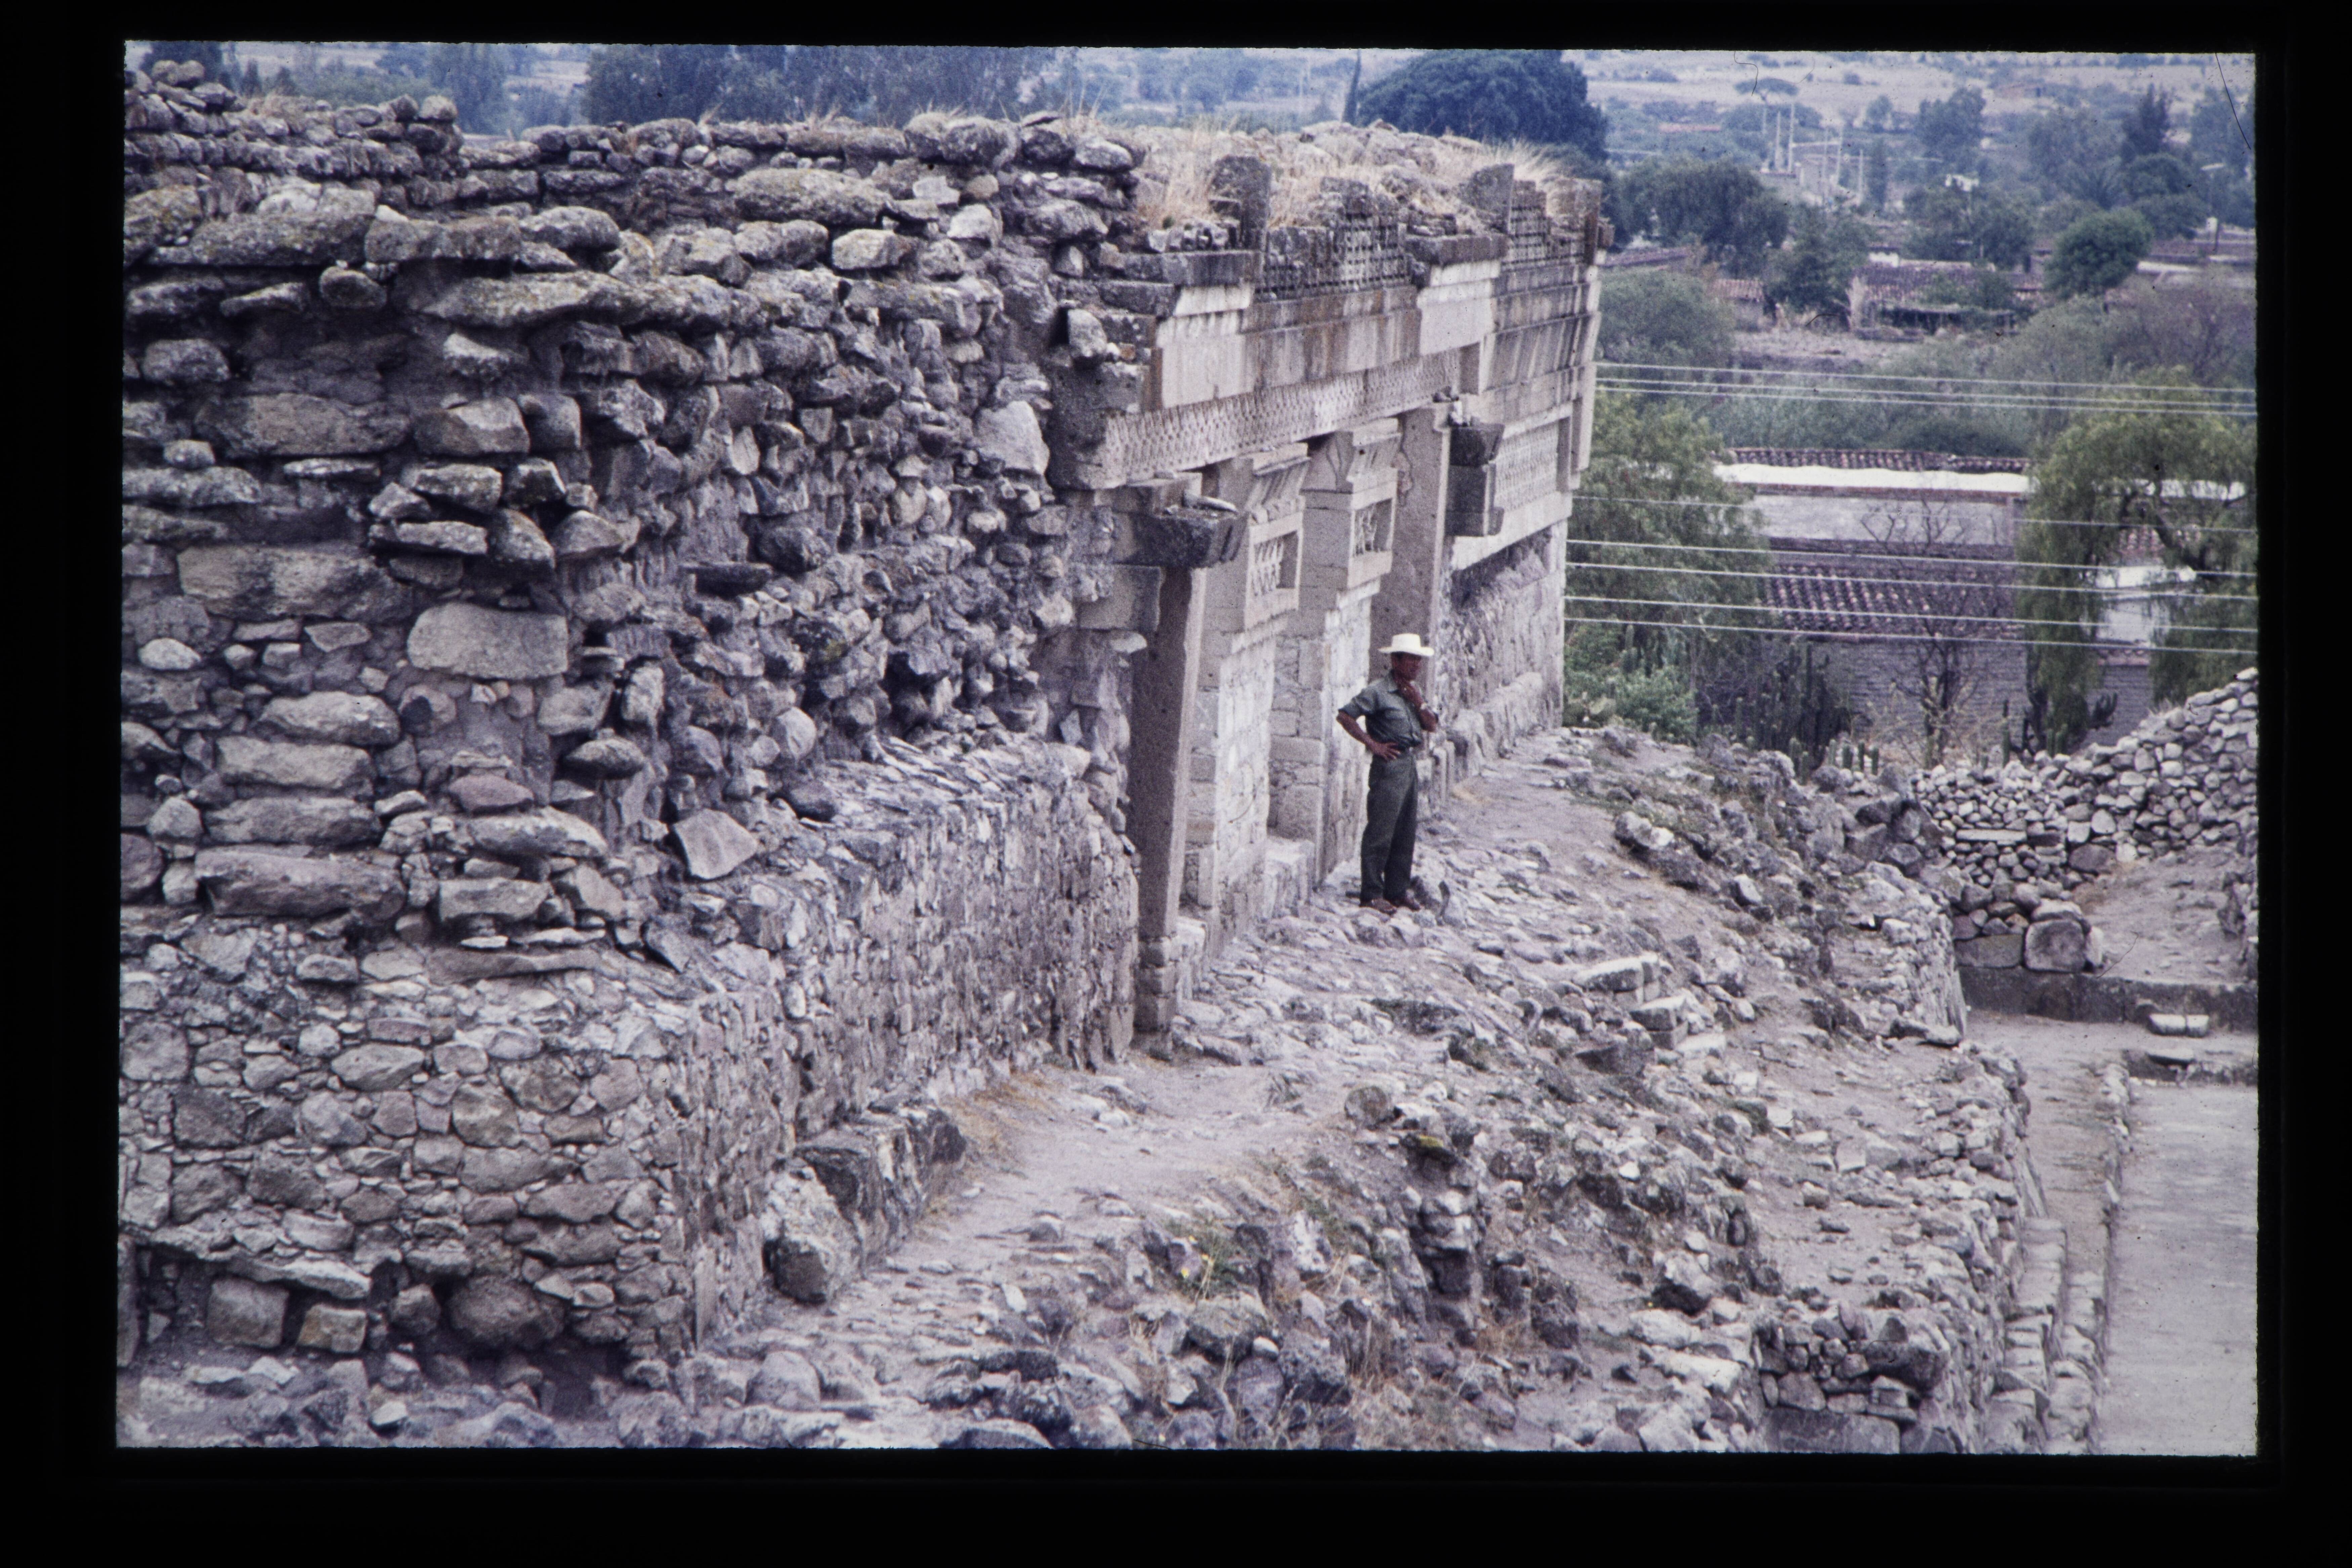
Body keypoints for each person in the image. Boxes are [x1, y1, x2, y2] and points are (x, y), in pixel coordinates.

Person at [1337, 633, 1440, 914]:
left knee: (1405, 831)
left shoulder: (1414, 692)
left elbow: (1432, 725)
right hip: (1388, 767)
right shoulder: (1378, 691)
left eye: (1419, 659)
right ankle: (1371, 893)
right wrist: (1373, 745)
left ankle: (1397, 891)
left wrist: (1419, 702)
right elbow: (1346, 716)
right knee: (1381, 830)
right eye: (1411, 659)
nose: (1416, 665)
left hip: (1409, 765)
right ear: (1395, 661)